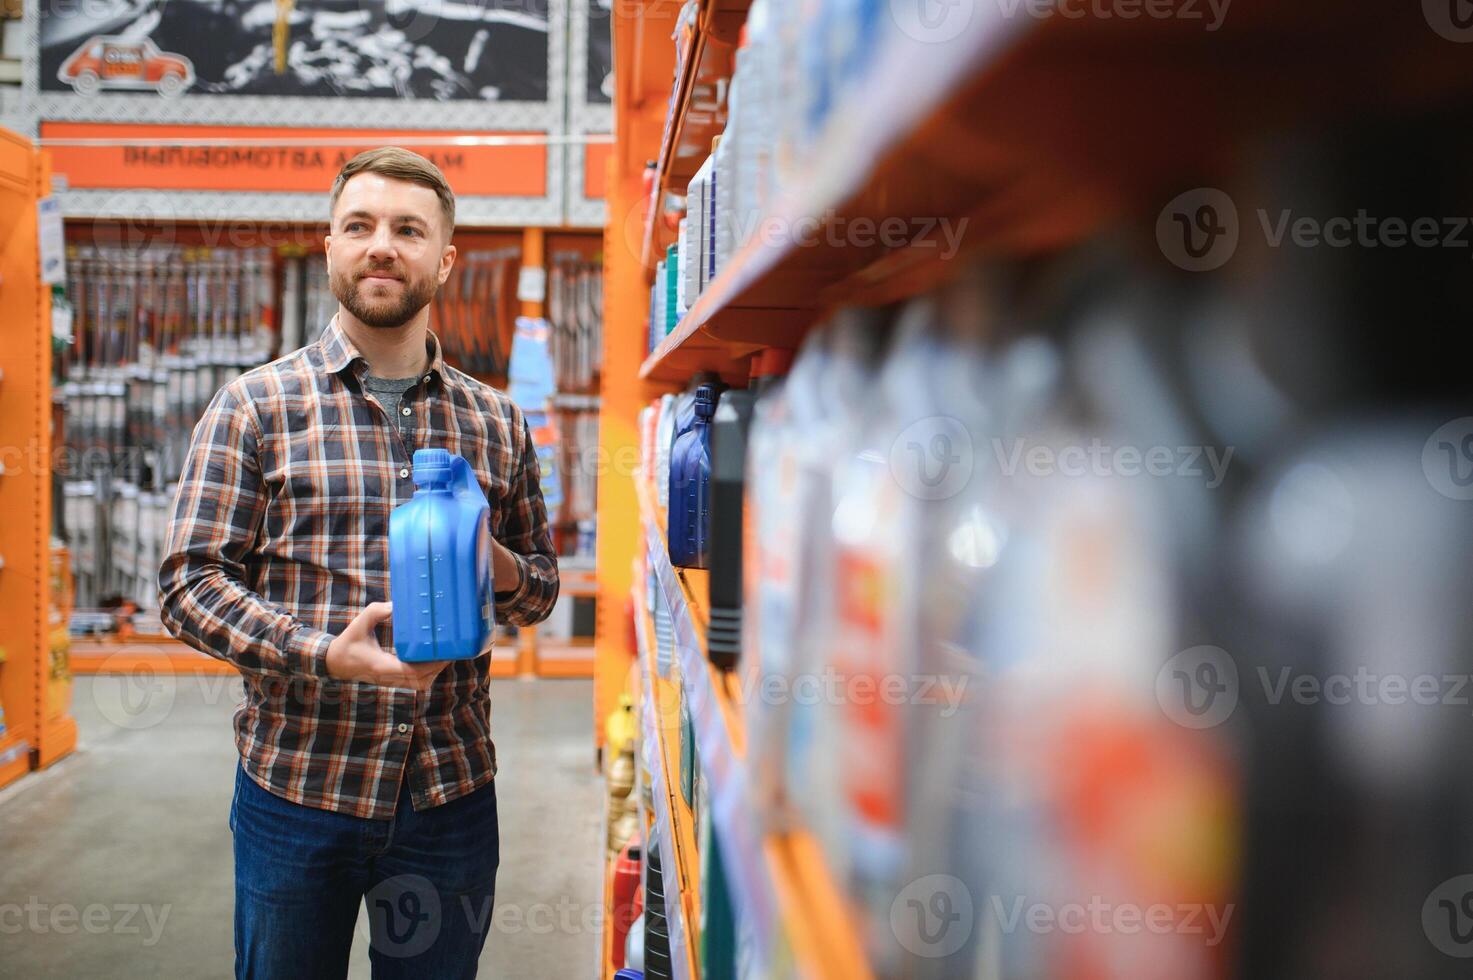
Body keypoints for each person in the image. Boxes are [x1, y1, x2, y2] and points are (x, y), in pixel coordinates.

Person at [158, 146, 558, 979]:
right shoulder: (255, 406)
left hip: (450, 792)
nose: (382, 245)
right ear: (331, 244)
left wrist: (498, 566)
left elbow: (540, 589)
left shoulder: (495, 421)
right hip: (299, 787)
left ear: (443, 259)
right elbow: (188, 585)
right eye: (360, 226)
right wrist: (323, 655)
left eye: (408, 230)